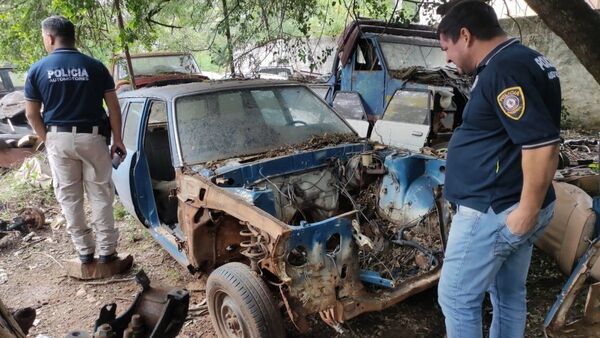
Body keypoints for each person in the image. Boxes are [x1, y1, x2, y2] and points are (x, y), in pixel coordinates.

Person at [436, 2, 561, 337]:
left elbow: (541, 144)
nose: (447, 58)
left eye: (446, 48)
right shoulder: (526, 59)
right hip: (510, 201)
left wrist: (526, 211)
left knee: (456, 297)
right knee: (507, 294)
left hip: (492, 208)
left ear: (465, 35)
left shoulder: (503, 70)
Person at [24, 16, 132, 278]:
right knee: (101, 195)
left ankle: (85, 252)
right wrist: (117, 138)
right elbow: (113, 107)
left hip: (58, 138)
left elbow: (31, 114)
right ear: (74, 37)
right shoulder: (95, 67)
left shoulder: (37, 70)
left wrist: (47, 139)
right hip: (93, 137)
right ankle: (107, 252)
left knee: (70, 198)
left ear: (49, 38)